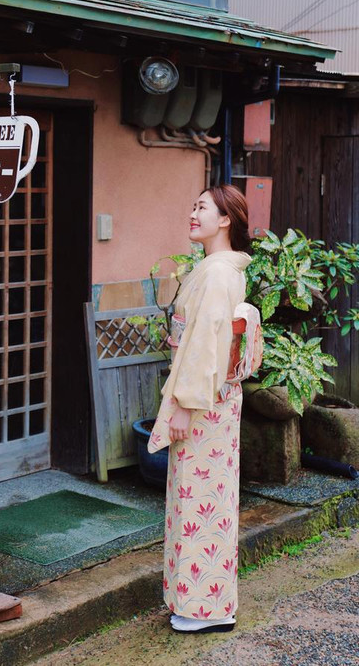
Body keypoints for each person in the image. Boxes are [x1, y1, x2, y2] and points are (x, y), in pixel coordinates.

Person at [151, 185, 253, 634]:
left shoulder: (217, 273)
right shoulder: (219, 267)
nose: (193, 214)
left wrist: (183, 404)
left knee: (201, 504)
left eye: (203, 208)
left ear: (225, 219)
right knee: (204, 500)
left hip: (204, 403)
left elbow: (205, 346)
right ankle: (205, 603)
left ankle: (206, 609)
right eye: (192, 206)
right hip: (215, 400)